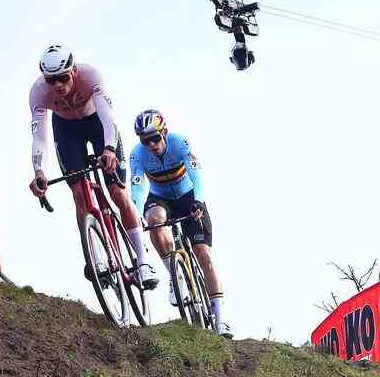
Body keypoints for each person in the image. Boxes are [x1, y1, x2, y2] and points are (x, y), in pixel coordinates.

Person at [27, 44, 158, 289]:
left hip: (97, 125)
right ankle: (96, 259)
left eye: (63, 78)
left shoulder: (91, 76)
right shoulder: (38, 93)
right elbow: (40, 138)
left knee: (117, 193)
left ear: (73, 71)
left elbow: (108, 117)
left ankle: (142, 261)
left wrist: (109, 149)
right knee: (79, 194)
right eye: (51, 80)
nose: (57, 86)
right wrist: (39, 172)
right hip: (67, 131)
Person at [129, 109, 232, 338]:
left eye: (155, 137)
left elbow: (197, 174)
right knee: (153, 220)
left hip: (188, 197)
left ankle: (220, 319)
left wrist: (198, 202)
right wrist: (136, 211)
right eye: (146, 140)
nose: (152, 144)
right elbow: (136, 188)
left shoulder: (179, 142)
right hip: (160, 198)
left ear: (164, 132)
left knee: (203, 255)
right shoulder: (137, 155)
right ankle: (175, 277)